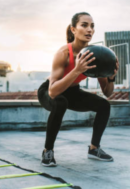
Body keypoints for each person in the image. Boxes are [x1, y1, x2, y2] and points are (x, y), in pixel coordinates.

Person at [37, 12, 119, 167]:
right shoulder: (63, 53)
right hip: (49, 90)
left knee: (104, 105)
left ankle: (94, 149)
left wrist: (111, 77)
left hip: (73, 92)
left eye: (92, 26)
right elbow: (53, 92)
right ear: (73, 29)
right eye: (84, 25)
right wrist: (76, 70)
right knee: (60, 102)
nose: (90, 30)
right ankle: (48, 151)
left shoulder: (94, 55)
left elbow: (107, 92)